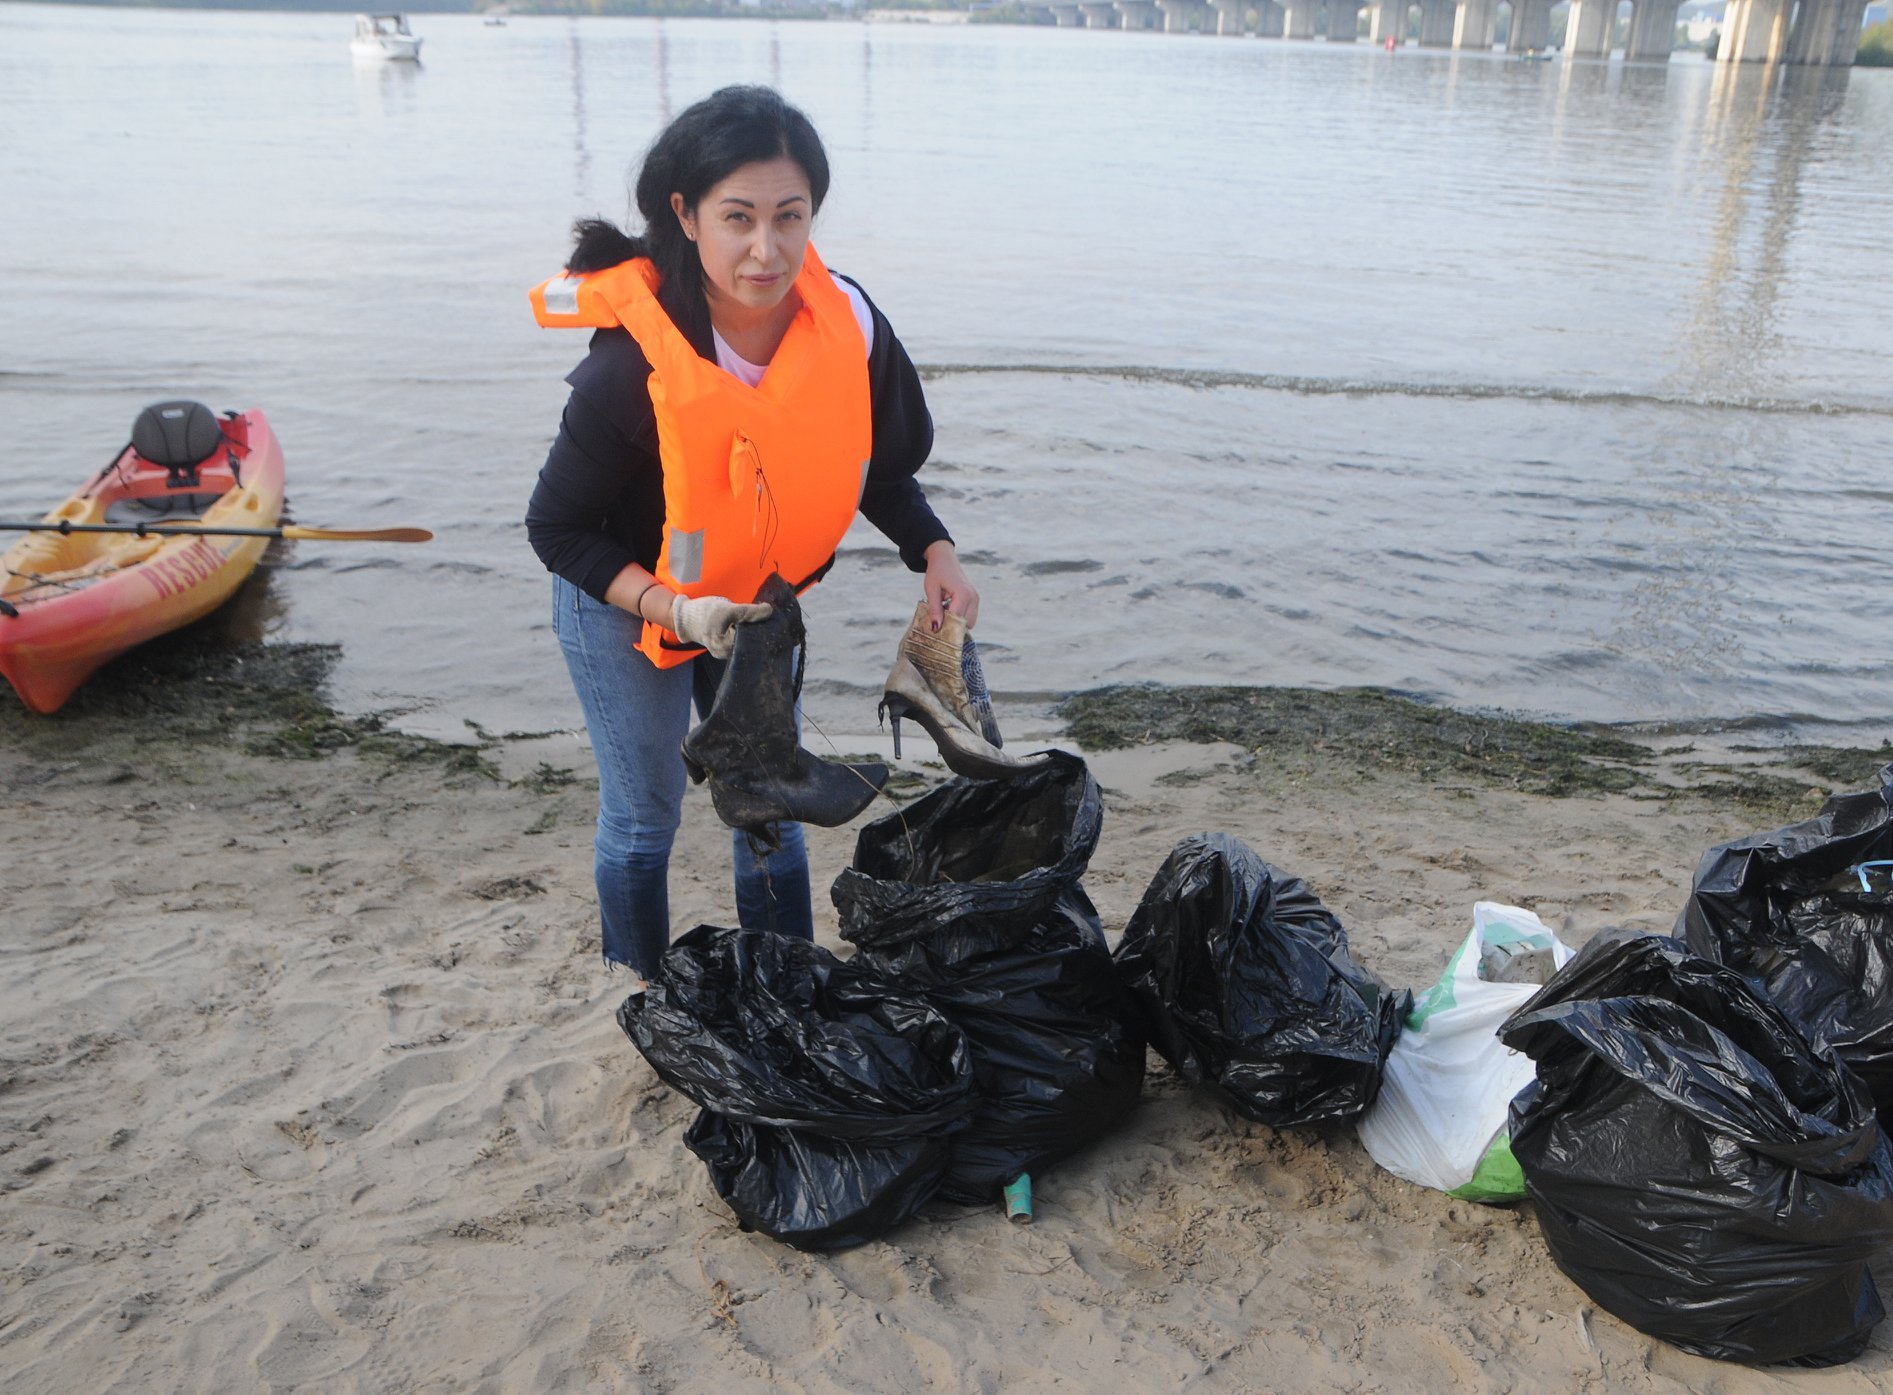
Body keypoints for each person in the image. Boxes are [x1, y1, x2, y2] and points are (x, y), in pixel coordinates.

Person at [525, 85, 978, 978]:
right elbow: (557, 528)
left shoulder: (846, 322)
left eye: (789, 216)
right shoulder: (630, 365)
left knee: (768, 803)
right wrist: (671, 608)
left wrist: (934, 548)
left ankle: (785, 979)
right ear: (684, 214)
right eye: (737, 218)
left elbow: (875, 464)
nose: (764, 250)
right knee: (643, 816)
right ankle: (635, 985)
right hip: (621, 599)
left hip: (758, 608)